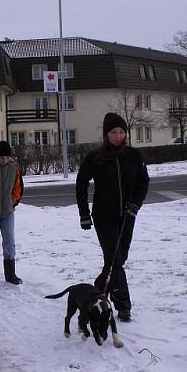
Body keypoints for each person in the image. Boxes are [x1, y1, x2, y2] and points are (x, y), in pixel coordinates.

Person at [76, 113, 149, 322]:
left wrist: (135, 204)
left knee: (116, 261)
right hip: (103, 216)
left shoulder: (134, 156)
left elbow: (143, 183)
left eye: (121, 132)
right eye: (113, 132)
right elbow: (81, 184)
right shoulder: (96, 157)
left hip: (127, 215)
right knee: (115, 260)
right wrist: (84, 213)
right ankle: (123, 306)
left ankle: (96, 292)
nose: (118, 136)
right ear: (106, 134)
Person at [0, 140, 24, 285]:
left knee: (9, 242)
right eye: (1, 158)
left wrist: (12, 201)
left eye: (6, 158)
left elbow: (18, 188)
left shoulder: (13, 168)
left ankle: (10, 274)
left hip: (7, 212)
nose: (4, 160)